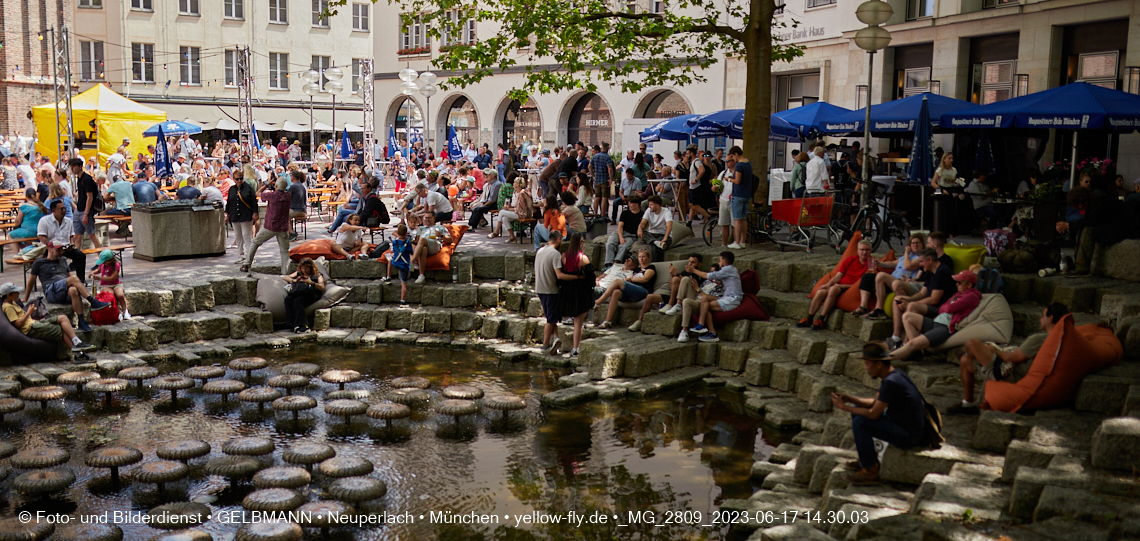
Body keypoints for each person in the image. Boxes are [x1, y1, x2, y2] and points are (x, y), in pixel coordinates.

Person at [947, 303, 1068, 415]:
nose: (1040, 319)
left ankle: (971, 355)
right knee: (965, 361)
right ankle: (968, 403)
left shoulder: (1039, 339)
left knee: (972, 343)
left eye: (1043, 316)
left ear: (1050, 318)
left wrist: (994, 350)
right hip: (1012, 371)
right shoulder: (1059, 338)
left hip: (1007, 373)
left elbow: (1011, 357)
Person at [831, 342, 926, 485]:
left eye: (867, 364)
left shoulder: (891, 382)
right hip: (898, 424)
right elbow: (874, 402)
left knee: (861, 422)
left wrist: (844, 407)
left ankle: (870, 470)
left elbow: (873, 414)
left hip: (909, 435)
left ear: (879, 364)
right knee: (858, 412)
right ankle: (869, 458)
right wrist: (850, 399)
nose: (866, 368)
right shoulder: (894, 374)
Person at [890, 269, 982, 361]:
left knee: (911, 344)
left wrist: (946, 307)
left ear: (969, 285)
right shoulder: (959, 294)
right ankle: (916, 352)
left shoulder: (971, 296)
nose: (956, 284)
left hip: (945, 328)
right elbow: (944, 307)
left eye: (959, 283)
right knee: (907, 316)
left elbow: (949, 308)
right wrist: (946, 307)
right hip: (936, 322)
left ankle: (886, 357)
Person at [22, 243, 111, 332]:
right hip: (51, 291)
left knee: (73, 290)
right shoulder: (39, 263)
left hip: (63, 290)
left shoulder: (63, 260)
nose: (61, 252)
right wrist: (26, 297)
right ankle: (93, 302)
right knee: (74, 279)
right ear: (49, 249)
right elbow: (31, 281)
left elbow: (68, 276)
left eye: (62, 250)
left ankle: (81, 321)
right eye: (58, 250)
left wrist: (77, 286)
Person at [886, 248, 955, 351]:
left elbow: (934, 300)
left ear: (930, 260)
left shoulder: (942, 272)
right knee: (899, 299)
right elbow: (922, 293)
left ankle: (907, 343)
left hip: (941, 308)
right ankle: (896, 337)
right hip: (933, 304)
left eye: (922, 261)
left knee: (912, 306)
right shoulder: (930, 271)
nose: (920, 264)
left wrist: (910, 303)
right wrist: (908, 299)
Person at [798, 240, 874, 330]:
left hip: (851, 289)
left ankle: (821, 318)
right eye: (862, 249)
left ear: (870, 251)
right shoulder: (850, 260)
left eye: (867, 250)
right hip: (839, 285)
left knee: (833, 290)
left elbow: (863, 284)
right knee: (821, 292)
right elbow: (838, 276)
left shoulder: (872, 264)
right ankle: (809, 317)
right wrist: (827, 284)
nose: (864, 252)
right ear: (857, 250)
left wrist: (840, 286)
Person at [3, 282, 94, 352]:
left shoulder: (12, 302)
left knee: (63, 318)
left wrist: (35, 318)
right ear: (8, 295)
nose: (18, 293)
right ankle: (78, 354)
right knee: (61, 329)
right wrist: (28, 313)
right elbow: (18, 323)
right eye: (15, 292)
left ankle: (77, 342)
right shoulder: (8, 307)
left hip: (34, 323)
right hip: (31, 328)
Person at [855, 234, 926, 318]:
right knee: (867, 277)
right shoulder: (907, 256)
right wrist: (880, 263)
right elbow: (893, 263)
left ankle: (879, 309)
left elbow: (908, 266)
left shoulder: (921, 257)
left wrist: (906, 253)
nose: (915, 245)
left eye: (917, 243)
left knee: (881, 276)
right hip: (892, 279)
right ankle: (863, 306)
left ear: (922, 244)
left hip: (903, 282)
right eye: (913, 243)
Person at [678, 251, 742, 343]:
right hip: (726, 297)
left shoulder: (728, 269)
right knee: (704, 300)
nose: (719, 263)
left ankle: (704, 327)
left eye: (720, 261)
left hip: (731, 299)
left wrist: (693, 270)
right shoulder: (731, 270)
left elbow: (709, 275)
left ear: (724, 261)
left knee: (704, 305)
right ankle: (709, 331)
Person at [630, 253, 704, 331]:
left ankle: (671, 304)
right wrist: (673, 275)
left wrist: (677, 275)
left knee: (679, 279)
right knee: (650, 297)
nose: (689, 264)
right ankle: (639, 321)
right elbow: (673, 284)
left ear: (699, 264)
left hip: (687, 298)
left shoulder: (699, 275)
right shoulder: (684, 272)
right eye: (689, 262)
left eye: (693, 262)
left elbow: (690, 284)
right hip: (675, 296)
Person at [535, 230, 581, 354]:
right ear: (559, 240)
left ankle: (555, 338)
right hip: (550, 290)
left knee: (551, 315)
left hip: (539, 288)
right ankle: (545, 346)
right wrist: (578, 277)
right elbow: (559, 275)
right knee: (550, 319)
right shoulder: (555, 254)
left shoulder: (540, 250)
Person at [594, 248, 656, 329]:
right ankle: (608, 321)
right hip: (632, 292)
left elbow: (645, 279)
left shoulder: (651, 268)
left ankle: (599, 302)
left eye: (643, 257)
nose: (641, 258)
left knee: (617, 281)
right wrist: (628, 280)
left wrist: (631, 280)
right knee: (616, 292)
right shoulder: (636, 270)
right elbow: (628, 279)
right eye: (640, 257)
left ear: (648, 258)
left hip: (643, 291)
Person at [242, 177, 292, 274]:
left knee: (255, 242)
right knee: (285, 251)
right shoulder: (288, 196)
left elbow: (257, 193)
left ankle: (247, 264)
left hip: (270, 226)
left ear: (276, 185)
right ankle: (285, 274)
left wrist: (267, 185)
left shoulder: (272, 195)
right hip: (283, 228)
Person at [282, 258, 325, 333]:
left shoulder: (317, 275)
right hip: (300, 292)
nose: (304, 270)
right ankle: (292, 323)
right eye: (302, 268)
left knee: (297, 301)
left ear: (311, 267)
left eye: (306, 268)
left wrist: (311, 282)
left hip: (312, 294)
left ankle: (303, 325)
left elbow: (321, 287)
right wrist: (294, 280)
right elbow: (285, 277)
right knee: (288, 299)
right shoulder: (299, 273)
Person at [410, 211, 453, 284]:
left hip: (435, 245)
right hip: (422, 245)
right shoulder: (420, 228)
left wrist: (441, 235)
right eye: (426, 218)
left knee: (422, 239)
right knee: (423, 249)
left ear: (434, 218)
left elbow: (450, 240)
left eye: (429, 218)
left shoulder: (440, 227)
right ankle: (421, 275)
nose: (427, 219)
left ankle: (412, 262)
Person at [69, 158, 102, 250]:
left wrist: (86, 214)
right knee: (77, 236)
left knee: (92, 235)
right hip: (78, 210)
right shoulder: (79, 179)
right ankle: (78, 260)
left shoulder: (87, 179)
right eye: (71, 167)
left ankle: (102, 259)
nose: (72, 169)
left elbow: (90, 197)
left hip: (85, 211)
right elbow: (82, 193)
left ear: (80, 167)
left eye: (74, 166)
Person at [89, 249, 130, 320]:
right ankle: (117, 312)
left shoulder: (116, 265)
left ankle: (125, 310)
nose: (103, 263)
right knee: (110, 297)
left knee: (120, 294)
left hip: (115, 284)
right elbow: (99, 270)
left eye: (105, 261)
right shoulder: (102, 264)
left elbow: (112, 278)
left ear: (110, 260)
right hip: (105, 285)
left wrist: (99, 278)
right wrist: (93, 273)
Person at [226, 174, 258, 265]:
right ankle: (241, 255)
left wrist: (255, 212)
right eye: (237, 179)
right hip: (235, 215)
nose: (239, 180)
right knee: (238, 236)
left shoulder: (248, 188)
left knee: (246, 236)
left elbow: (253, 201)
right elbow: (229, 202)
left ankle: (250, 256)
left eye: (241, 178)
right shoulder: (232, 189)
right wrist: (226, 214)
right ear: (234, 179)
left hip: (246, 215)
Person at [604, 196, 643, 267]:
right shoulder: (625, 213)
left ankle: (617, 262)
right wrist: (621, 237)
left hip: (631, 235)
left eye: (631, 203)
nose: (629, 205)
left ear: (637, 205)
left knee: (624, 247)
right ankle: (608, 264)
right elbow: (620, 227)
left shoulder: (642, 215)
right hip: (620, 232)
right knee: (610, 244)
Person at [727, 146, 752, 249]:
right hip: (747, 194)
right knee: (743, 218)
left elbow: (737, 181)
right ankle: (743, 241)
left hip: (738, 194)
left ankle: (736, 242)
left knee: (737, 219)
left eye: (733, 156)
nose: (733, 159)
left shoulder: (739, 165)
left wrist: (729, 179)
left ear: (736, 154)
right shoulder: (748, 163)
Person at [383, 224, 414, 304]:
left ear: (398, 233)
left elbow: (393, 250)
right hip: (404, 265)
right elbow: (411, 252)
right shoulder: (408, 243)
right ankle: (402, 300)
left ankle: (388, 277)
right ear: (406, 233)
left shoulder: (395, 242)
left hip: (395, 262)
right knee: (404, 284)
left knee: (390, 260)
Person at [589, 144, 615, 218]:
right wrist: (611, 178)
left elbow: (590, 166)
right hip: (604, 180)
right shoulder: (607, 157)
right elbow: (610, 169)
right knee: (604, 198)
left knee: (597, 197)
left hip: (597, 179)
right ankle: (603, 214)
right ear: (607, 148)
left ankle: (595, 213)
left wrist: (593, 175)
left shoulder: (595, 156)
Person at [286, 170, 308, 241]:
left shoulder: (293, 186)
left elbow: (286, 197)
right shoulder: (302, 186)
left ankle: (292, 232)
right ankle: (290, 231)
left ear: (293, 177)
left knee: (282, 215)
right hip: (303, 210)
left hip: (296, 210)